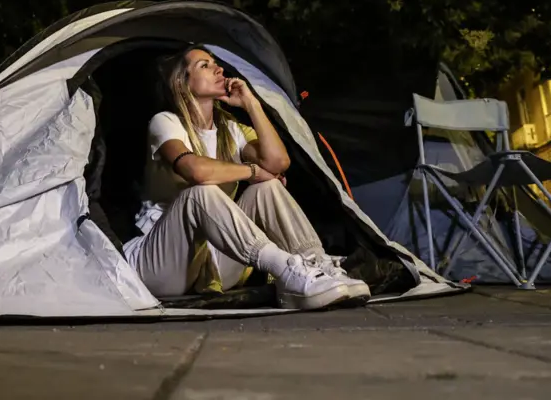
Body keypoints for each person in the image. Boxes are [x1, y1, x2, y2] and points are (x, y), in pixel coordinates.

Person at [122, 46, 371, 310]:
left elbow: (278, 163)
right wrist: (252, 171)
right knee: (200, 192)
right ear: (182, 83)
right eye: (204, 65)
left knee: (267, 187)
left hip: (215, 262)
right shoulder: (166, 122)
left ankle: (318, 265)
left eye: (216, 63)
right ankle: (285, 269)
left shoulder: (231, 130)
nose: (219, 69)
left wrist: (252, 104)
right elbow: (196, 172)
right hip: (162, 262)